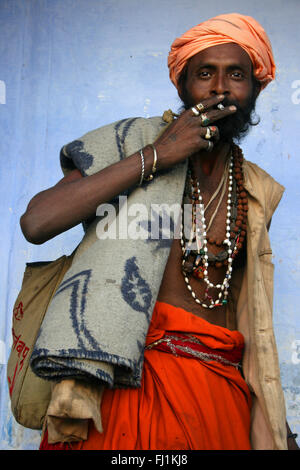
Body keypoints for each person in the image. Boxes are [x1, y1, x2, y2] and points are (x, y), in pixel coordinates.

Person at [20, 13, 298, 450]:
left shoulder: (255, 189)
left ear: (256, 89)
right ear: (182, 86)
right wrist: (158, 154)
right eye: (205, 73)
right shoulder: (129, 141)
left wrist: (275, 422)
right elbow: (37, 223)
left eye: (236, 75)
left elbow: (251, 316)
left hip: (216, 399)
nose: (220, 88)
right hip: (115, 392)